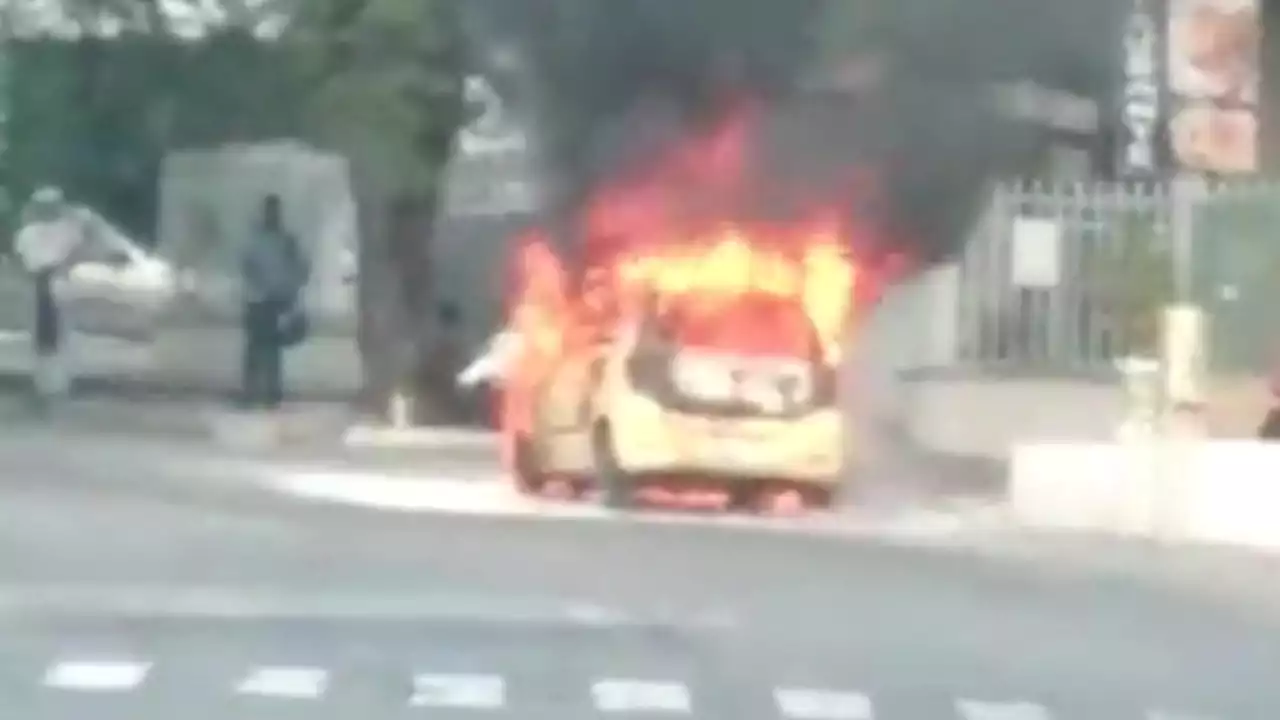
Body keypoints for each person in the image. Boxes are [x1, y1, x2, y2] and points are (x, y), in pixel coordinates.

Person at [13, 186, 85, 401]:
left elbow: (21, 259)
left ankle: (49, 382)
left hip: (46, 280)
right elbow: (76, 253)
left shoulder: (32, 232)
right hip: (50, 280)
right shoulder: (64, 229)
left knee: (50, 333)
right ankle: (51, 382)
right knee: (50, 333)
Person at [239, 194, 309, 410]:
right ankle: (256, 392)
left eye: (274, 211)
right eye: (269, 210)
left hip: (274, 299)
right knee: (257, 348)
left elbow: (301, 268)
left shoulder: (285, 240)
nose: (271, 215)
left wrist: (290, 291)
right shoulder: (261, 238)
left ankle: (268, 392)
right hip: (261, 298)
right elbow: (246, 265)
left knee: (268, 349)